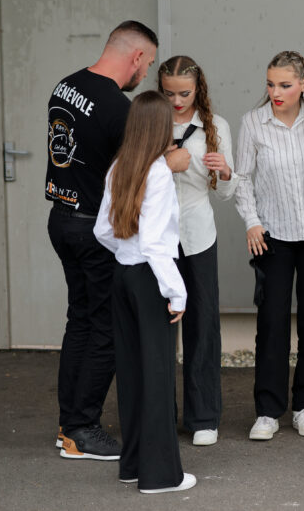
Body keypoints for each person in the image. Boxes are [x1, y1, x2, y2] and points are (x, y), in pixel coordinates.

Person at [46, 20, 180, 460]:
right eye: (149, 63)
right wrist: (172, 162)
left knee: (80, 319)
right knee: (105, 327)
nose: (146, 73)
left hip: (61, 217)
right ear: (137, 57)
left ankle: (68, 425)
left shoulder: (65, 86)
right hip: (92, 229)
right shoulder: (116, 108)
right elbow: (138, 171)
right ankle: (82, 428)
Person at [93, 90, 195, 493]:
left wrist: (127, 253)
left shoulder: (120, 166)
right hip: (150, 280)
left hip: (123, 275)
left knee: (133, 373)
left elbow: (102, 230)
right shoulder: (158, 173)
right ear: (159, 129)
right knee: (157, 375)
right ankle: (160, 476)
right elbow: (155, 243)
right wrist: (177, 291)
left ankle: (133, 465)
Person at [234, 51, 304, 441]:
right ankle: (268, 410)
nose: (276, 92)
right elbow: (243, 177)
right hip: (271, 236)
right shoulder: (253, 122)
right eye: (271, 84)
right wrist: (252, 221)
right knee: (272, 323)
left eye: (285, 85)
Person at [158, 55, 237, 446]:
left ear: (197, 90)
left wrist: (224, 172)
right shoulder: (149, 121)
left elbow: (225, 193)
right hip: (156, 238)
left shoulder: (215, 125)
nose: (176, 101)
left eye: (184, 94)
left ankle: (203, 417)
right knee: (158, 327)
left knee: (203, 324)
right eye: (169, 93)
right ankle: (159, 416)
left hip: (198, 234)